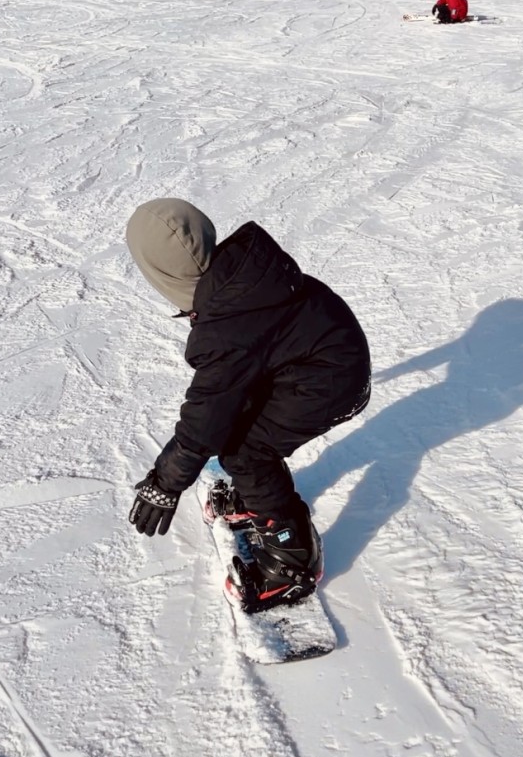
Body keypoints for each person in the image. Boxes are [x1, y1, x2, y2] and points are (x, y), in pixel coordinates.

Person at [125, 199, 370, 613]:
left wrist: (166, 483)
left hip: (329, 381)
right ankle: (259, 496)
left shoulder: (226, 326)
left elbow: (205, 418)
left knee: (246, 453)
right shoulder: (241, 274)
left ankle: (293, 564)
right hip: (318, 359)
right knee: (238, 424)